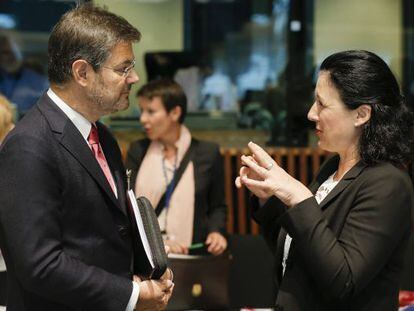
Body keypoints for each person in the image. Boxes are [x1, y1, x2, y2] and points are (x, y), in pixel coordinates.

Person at [0, 5, 173, 311]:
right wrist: (133, 296)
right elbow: (41, 265)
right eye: (123, 68)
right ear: (82, 72)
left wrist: (152, 268)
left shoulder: (102, 136)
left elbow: (107, 232)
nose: (134, 77)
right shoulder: (29, 145)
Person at [236, 50, 414, 311]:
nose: (310, 113)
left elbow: (342, 281)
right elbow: (299, 249)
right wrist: (267, 198)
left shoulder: (388, 183)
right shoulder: (333, 166)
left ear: (361, 114)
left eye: (322, 104)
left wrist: (299, 197)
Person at [125, 79, 227, 256]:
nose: (143, 119)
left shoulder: (207, 152)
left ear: (175, 113)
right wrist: (160, 244)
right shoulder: (138, 150)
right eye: (142, 111)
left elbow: (217, 206)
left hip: (192, 254)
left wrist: (216, 232)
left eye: (151, 111)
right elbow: (129, 207)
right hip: (147, 255)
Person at [0, 34, 49, 116]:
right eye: (6, 53)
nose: (12, 56)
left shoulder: (38, 80)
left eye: (15, 51)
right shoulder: (3, 79)